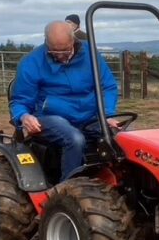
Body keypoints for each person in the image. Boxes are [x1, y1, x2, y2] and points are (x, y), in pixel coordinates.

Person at [10, 20, 120, 182]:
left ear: (73, 40)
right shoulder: (31, 63)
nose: (62, 57)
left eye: (66, 51)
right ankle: (69, 188)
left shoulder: (91, 55)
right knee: (75, 139)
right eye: (55, 52)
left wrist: (108, 115)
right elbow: (20, 101)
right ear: (46, 42)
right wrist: (24, 116)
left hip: (90, 115)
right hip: (50, 117)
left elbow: (108, 86)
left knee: (123, 136)